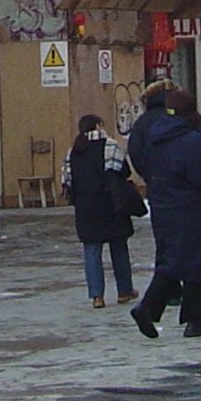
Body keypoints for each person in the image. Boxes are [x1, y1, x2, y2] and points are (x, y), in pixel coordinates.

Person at [129, 86, 201, 338]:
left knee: (175, 260)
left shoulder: (154, 137)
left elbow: (143, 164)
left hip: (163, 206)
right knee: (197, 263)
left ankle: (182, 316)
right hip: (191, 208)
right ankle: (163, 311)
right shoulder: (193, 141)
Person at [64, 114, 138, 305]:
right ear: (98, 126)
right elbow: (123, 171)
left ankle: (97, 296)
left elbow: (67, 181)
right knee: (119, 247)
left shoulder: (73, 151)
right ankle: (124, 290)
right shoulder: (110, 145)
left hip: (86, 207)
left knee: (91, 250)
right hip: (111, 204)